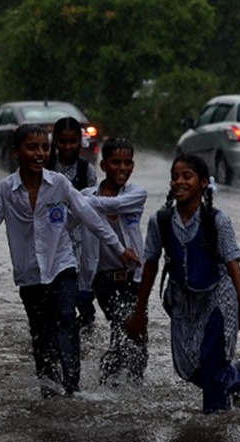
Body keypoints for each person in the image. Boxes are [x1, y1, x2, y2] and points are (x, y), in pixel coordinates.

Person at [0, 124, 140, 398]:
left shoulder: (59, 184)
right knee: (41, 334)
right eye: (32, 147)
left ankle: (72, 389)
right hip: (29, 274)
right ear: (16, 152)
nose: (40, 153)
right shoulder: (5, 190)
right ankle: (49, 391)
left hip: (62, 265)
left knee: (67, 318)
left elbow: (90, 218)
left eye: (44, 147)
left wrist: (119, 248)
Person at [124, 153, 240, 414]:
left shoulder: (217, 220)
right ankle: (237, 375)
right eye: (175, 177)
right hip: (183, 300)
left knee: (212, 365)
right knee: (187, 368)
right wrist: (139, 312)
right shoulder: (162, 221)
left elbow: (234, 264)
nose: (179, 181)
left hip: (218, 298)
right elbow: (151, 265)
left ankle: (213, 432)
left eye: (186, 176)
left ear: (203, 183)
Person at [81, 138, 149, 386]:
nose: (123, 168)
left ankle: (132, 385)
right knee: (121, 326)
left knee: (138, 335)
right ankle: (109, 381)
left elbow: (117, 204)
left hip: (135, 278)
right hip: (104, 280)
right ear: (103, 165)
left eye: (128, 163)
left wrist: (83, 204)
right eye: (116, 162)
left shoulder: (135, 194)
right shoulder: (86, 194)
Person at [46, 116, 99, 333]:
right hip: (52, 238)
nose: (67, 147)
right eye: (62, 141)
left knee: (83, 288)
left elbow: (93, 206)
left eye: (72, 141)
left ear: (80, 141)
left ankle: (85, 324)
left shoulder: (86, 170)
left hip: (81, 238)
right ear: (55, 142)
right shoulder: (46, 167)